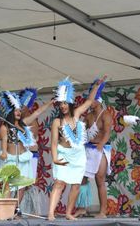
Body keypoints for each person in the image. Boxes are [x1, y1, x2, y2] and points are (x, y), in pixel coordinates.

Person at [47, 76, 106, 221]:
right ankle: (50, 213)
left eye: (65, 103)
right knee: (59, 183)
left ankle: (68, 213)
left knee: (75, 185)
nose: (63, 106)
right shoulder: (57, 122)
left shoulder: (77, 114)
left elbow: (89, 101)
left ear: (70, 103)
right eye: (61, 104)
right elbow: (54, 143)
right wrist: (55, 158)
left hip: (78, 155)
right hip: (63, 154)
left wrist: (96, 86)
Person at [0, 91, 52, 202]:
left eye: (19, 110)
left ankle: (15, 210)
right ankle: (6, 209)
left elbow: (37, 113)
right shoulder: (5, 127)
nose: (19, 112)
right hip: (11, 160)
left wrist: (50, 103)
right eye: (16, 110)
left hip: (23, 159)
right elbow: (4, 140)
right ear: (10, 111)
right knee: (8, 185)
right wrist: (3, 152)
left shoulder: (23, 123)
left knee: (21, 187)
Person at [74, 79, 112, 218]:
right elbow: (81, 132)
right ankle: (82, 208)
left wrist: (101, 143)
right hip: (88, 149)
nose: (89, 103)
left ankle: (103, 211)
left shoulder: (106, 115)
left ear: (97, 100)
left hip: (101, 150)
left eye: (92, 101)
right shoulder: (88, 116)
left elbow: (107, 132)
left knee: (99, 179)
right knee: (83, 179)